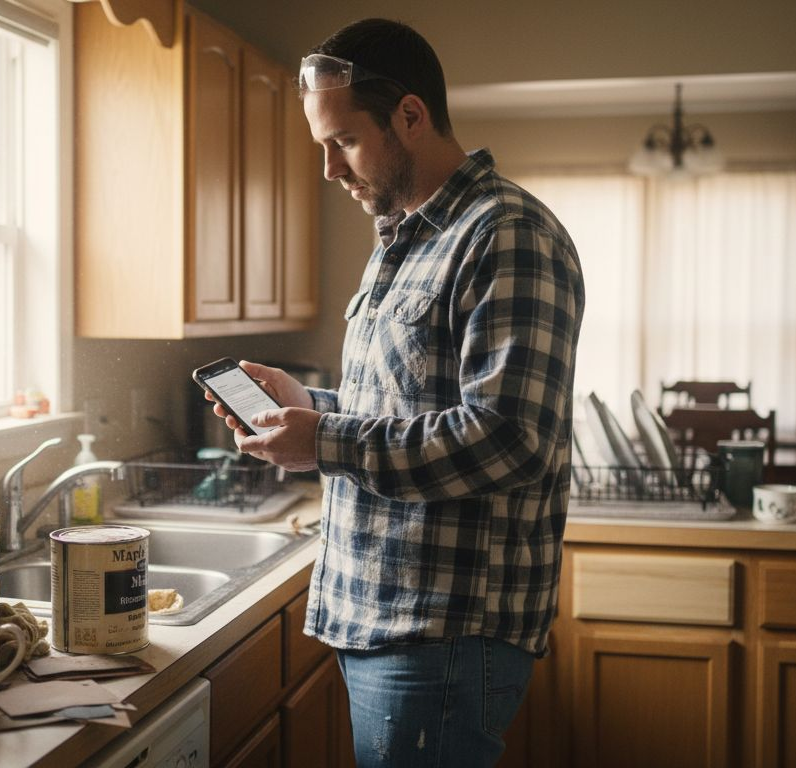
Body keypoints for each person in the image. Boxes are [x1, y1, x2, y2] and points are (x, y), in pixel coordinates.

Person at [205, 18, 584, 767]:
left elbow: (508, 438)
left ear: (410, 115)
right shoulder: (402, 242)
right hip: (383, 620)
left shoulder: (506, 234)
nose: (327, 169)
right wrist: (314, 408)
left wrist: (324, 442)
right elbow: (405, 409)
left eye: (341, 141)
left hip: (442, 631)